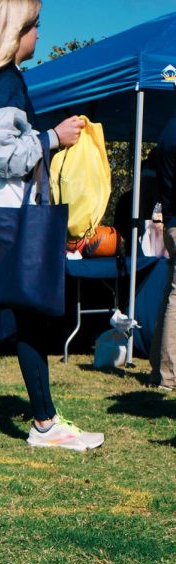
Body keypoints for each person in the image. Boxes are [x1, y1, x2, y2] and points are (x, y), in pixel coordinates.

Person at [0, 0, 104, 451]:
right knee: (29, 318)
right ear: (16, 31)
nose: (40, 36)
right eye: (35, 27)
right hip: (8, 225)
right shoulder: (8, 83)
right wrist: (54, 137)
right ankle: (44, 422)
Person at [149, 114, 176, 391]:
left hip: (171, 222)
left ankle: (159, 370)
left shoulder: (168, 130)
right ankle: (169, 376)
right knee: (175, 299)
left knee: (171, 295)